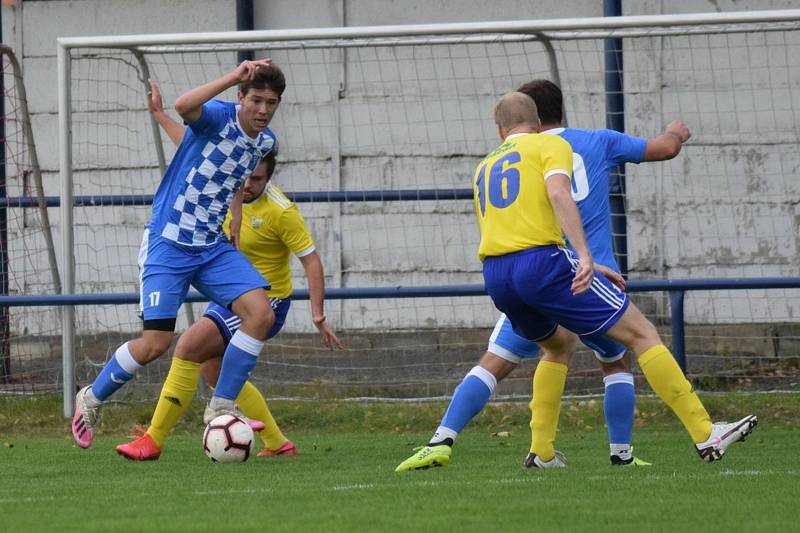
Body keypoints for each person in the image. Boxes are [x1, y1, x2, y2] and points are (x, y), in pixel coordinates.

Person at [402, 92, 756, 471]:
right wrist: (585, 257)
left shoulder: (486, 164)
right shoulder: (553, 144)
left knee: (554, 347)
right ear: (537, 122)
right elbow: (558, 193)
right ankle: (705, 432)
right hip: (548, 266)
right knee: (640, 336)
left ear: (499, 129)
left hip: (498, 273)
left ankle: (539, 452)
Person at [113, 81, 343, 460]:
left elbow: (311, 260)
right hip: (230, 295)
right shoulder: (222, 185)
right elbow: (191, 145)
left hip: (265, 299)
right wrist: (158, 115)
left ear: (268, 175)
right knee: (210, 371)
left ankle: (153, 439)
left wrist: (318, 314)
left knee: (186, 348)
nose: (248, 183)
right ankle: (277, 443)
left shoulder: (280, 211)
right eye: (246, 176)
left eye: (257, 178)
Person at [72, 60, 285, 449]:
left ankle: (221, 404)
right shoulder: (220, 114)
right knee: (156, 344)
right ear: (240, 97)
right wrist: (233, 75)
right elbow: (186, 106)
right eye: (255, 99)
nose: (263, 109)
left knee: (261, 313)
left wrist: (235, 216)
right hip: (168, 243)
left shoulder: (263, 142)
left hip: (211, 248)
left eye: (271, 102)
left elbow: (221, 165)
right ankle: (91, 396)